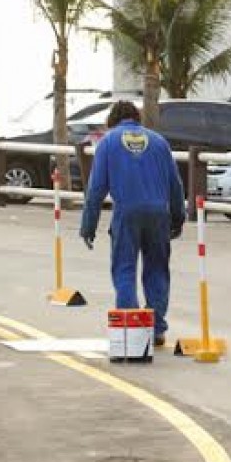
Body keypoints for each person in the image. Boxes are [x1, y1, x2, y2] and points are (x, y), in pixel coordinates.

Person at [79, 100, 185, 346]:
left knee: (125, 269)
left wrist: (88, 225)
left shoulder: (108, 142)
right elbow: (175, 185)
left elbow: (95, 189)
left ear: (112, 121)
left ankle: (133, 328)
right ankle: (156, 328)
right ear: (137, 118)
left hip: (126, 213)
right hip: (159, 213)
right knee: (157, 269)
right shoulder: (159, 142)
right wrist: (177, 217)